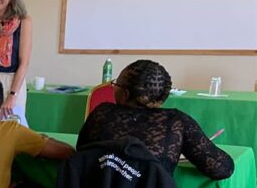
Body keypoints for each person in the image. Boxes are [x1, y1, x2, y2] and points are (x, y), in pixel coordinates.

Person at [77, 60, 234, 179]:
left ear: (125, 93)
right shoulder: (176, 122)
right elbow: (222, 169)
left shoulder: (101, 113)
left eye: (115, 84)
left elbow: (82, 152)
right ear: (162, 96)